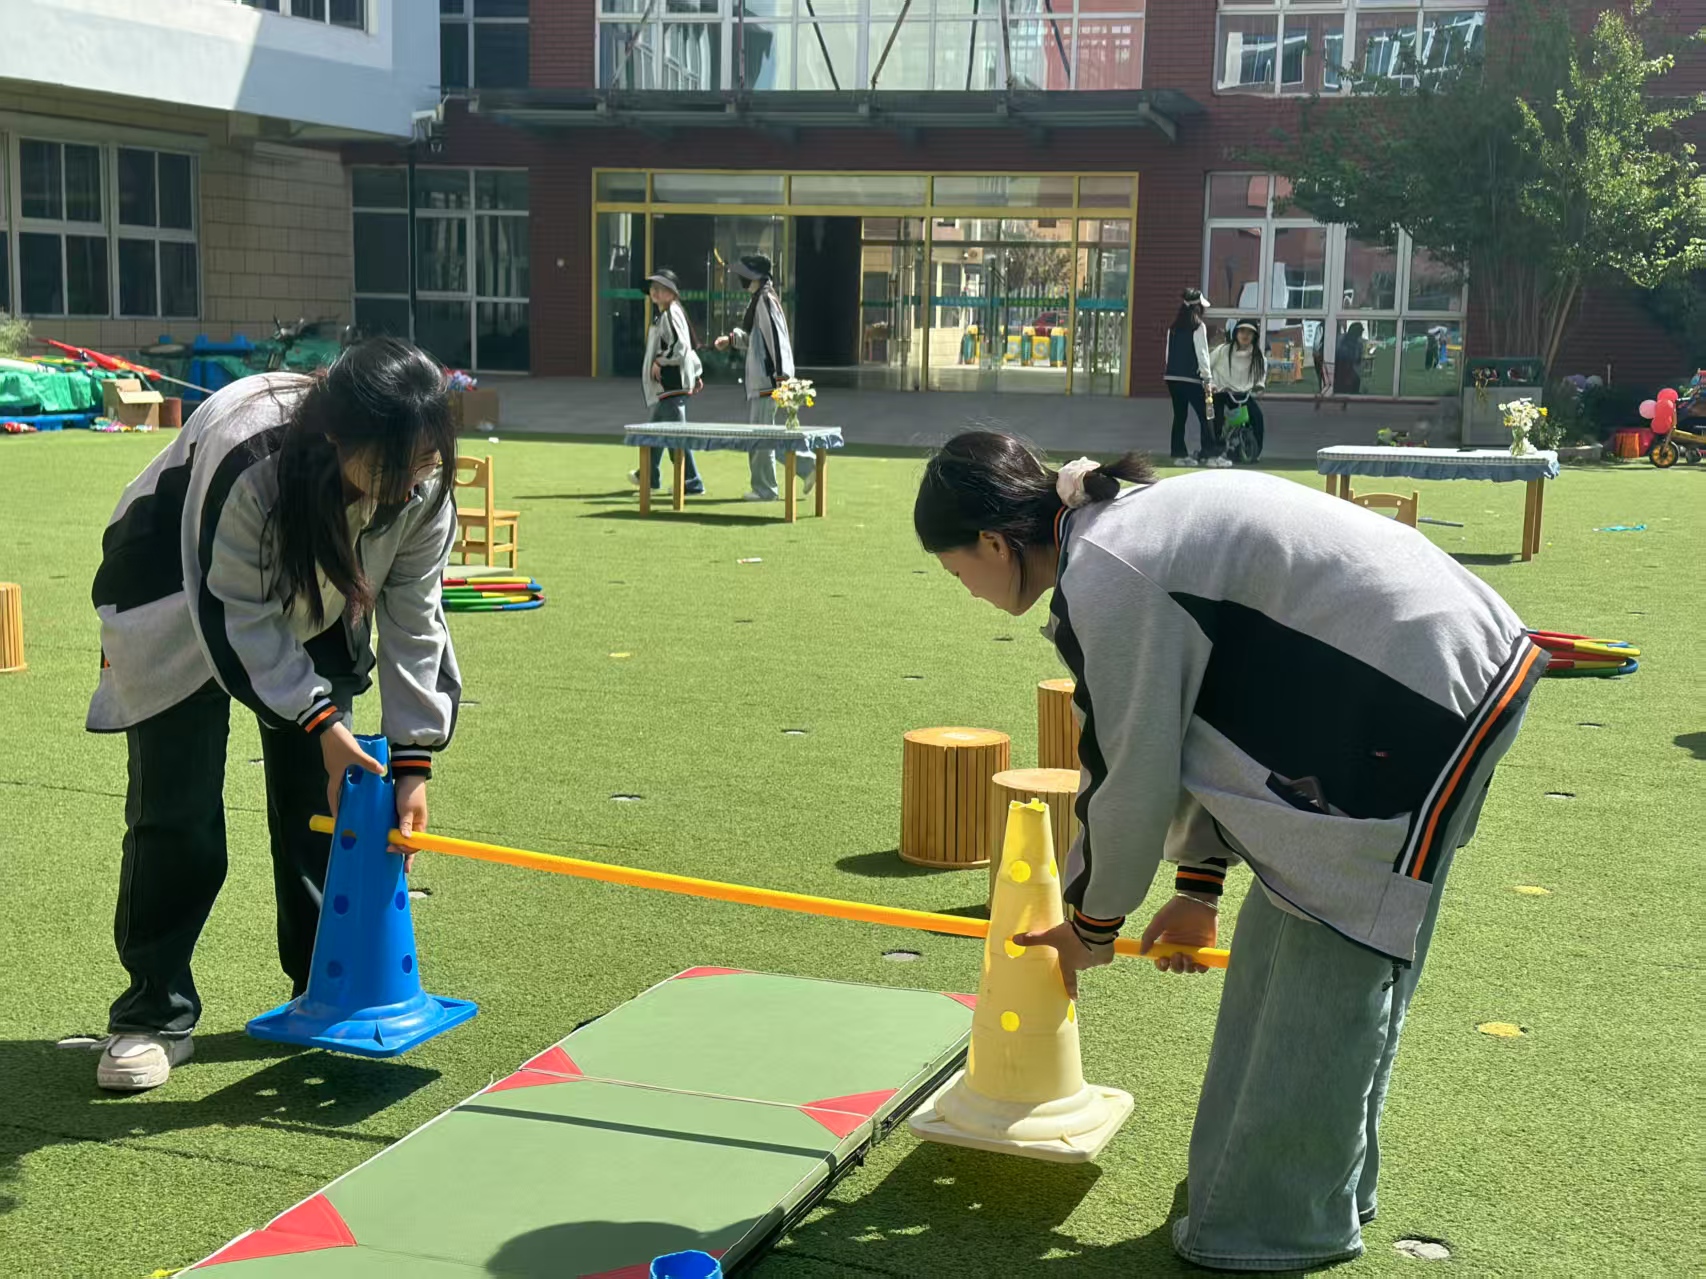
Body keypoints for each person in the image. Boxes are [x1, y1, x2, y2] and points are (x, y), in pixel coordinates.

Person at [913, 433, 1540, 1272]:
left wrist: (1091, 923)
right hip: (1432, 669)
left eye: (954, 569)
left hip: (1417, 691)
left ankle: (1273, 1227)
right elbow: (1206, 716)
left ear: (993, 542)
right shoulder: (1114, 531)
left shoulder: (1107, 569)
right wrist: (1198, 886)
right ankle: (1305, 1194)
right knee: (1306, 934)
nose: (962, 587)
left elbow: (1130, 767)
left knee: (1331, 955)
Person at [85, 338, 462, 1092]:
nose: (415, 482)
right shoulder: (249, 455)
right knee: (178, 811)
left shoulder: (419, 483)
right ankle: (153, 1012)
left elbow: (416, 622)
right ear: (340, 437)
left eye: (427, 461)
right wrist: (321, 724)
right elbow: (237, 616)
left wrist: (413, 761)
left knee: (330, 810)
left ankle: (325, 988)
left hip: (319, 598)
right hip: (178, 594)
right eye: (399, 464)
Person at [712, 253, 815, 502]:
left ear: (755, 276)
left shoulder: (764, 300)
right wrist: (732, 339)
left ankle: (767, 487)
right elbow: (758, 339)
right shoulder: (761, 299)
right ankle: (806, 466)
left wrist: (781, 376)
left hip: (768, 381)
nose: (741, 278)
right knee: (764, 435)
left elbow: (776, 340)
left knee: (760, 436)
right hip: (768, 380)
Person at [630, 267, 706, 497]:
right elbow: (689, 346)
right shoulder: (669, 312)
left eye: (662, 288)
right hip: (669, 385)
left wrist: (660, 361)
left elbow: (681, 347)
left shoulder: (671, 313)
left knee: (673, 435)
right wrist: (696, 374)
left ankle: (691, 481)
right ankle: (649, 476)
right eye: (653, 288)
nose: (655, 292)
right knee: (658, 432)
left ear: (672, 293)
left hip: (671, 384)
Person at [1164, 288, 1222, 468]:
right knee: (1207, 415)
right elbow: (1202, 354)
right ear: (1198, 307)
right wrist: (1208, 379)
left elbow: (1168, 355)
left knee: (1180, 416)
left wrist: (1173, 371)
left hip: (1172, 378)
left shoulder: (1173, 328)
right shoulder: (1198, 327)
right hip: (1191, 378)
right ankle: (1209, 454)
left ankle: (1178, 453)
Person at [1210, 318, 1268, 463]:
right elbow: (1206, 367)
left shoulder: (1257, 355)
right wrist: (1211, 384)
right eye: (1242, 331)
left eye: (1249, 332)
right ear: (1236, 333)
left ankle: (1255, 452)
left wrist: (1259, 385)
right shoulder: (1223, 350)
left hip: (1242, 394)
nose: (1245, 335)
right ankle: (1216, 449)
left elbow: (1261, 374)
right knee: (1216, 418)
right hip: (1222, 391)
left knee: (1257, 418)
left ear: (1254, 336)